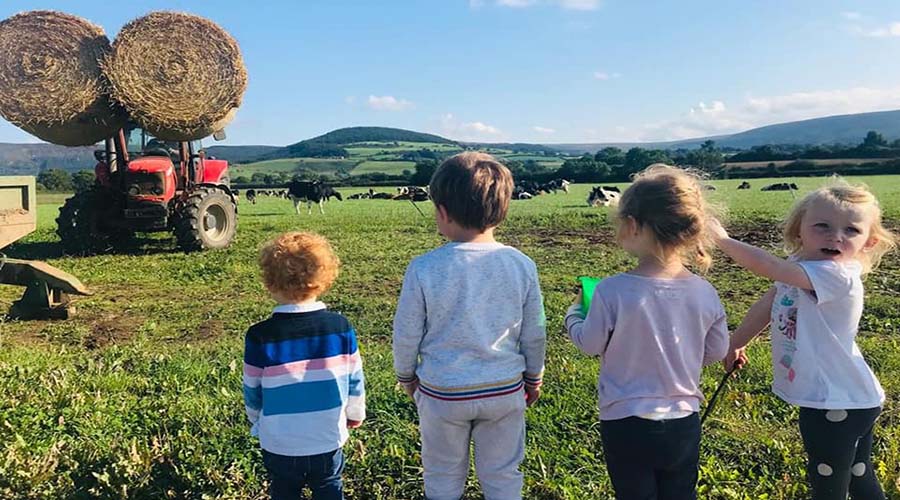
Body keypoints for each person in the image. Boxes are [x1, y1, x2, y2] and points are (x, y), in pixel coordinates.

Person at [712, 178, 896, 500]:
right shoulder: (800, 267)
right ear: (799, 231)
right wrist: (735, 341)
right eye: (822, 226)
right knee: (857, 474)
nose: (835, 236)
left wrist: (722, 239)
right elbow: (768, 303)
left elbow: (769, 267)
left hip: (834, 401)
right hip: (846, 397)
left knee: (827, 482)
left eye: (851, 230)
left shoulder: (837, 276)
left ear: (869, 241)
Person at [564, 164, 729, 500]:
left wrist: (573, 314)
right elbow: (715, 352)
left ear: (632, 225)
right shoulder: (704, 291)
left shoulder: (611, 290)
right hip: (684, 420)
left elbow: (590, 343)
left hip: (626, 421)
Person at [392, 152, 546, 500]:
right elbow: (535, 330)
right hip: (504, 390)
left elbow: (406, 332)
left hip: (442, 393)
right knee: (504, 473)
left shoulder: (424, 268)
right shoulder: (522, 264)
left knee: (442, 472)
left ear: (442, 212)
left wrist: (406, 377)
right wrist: (533, 377)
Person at [243, 232, 365, 500]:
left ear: (270, 282)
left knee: (284, 489)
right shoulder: (340, 328)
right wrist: (355, 413)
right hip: (327, 436)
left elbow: (252, 390)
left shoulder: (259, 335)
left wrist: (256, 420)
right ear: (323, 279)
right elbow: (354, 379)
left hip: (279, 441)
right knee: (329, 485)